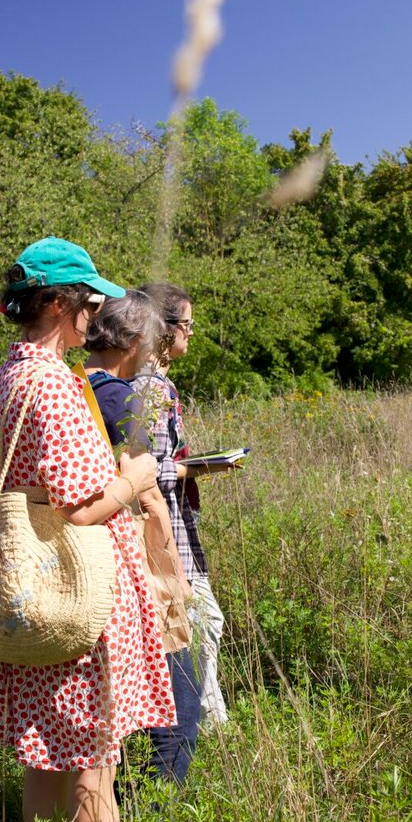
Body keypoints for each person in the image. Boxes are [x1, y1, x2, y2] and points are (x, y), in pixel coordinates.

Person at [0, 238, 173, 822]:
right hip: (73, 606)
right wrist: (134, 475)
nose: (94, 314)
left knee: (44, 763)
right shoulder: (51, 381)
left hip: (28, 596)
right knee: (92, 769)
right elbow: (80, 505)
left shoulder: (7, 375)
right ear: (55, 303)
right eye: (87, 301)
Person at [82, 292, 199, 784]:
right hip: (129, 567)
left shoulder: (70, 387)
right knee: (180, 705)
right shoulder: (121, 397)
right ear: (131, 342)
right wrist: (173, 573)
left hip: (82, 572)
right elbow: (148, 495)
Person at [136, 283, 233, 726]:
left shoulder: (146, 382)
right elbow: (150, 471)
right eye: (187, 326)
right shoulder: (154, 389)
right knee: (202, 623)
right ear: (164, 330)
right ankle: (203, 722)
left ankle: (201, 718)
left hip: (170, 525)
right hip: (166, 528)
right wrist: (201, 469)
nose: (191, 335)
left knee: (200, 624)